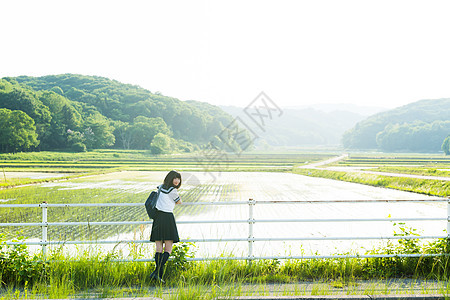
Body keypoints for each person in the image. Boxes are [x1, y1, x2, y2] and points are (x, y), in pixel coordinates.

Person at [149, 170, 182, 283]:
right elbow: (179, 202)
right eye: (175, 178)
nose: (177, 181)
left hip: (158, 218)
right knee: (168, 248)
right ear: (170, 179)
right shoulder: (173, 191)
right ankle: (157, 272)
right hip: (167, 218)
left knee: (159, 248)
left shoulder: (161, 187)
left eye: (178, 179)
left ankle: (157, 274)